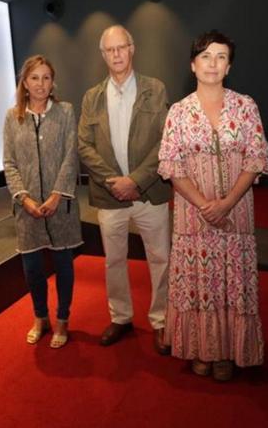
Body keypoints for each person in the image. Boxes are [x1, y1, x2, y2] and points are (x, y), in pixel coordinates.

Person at [157, 30, 268, 381]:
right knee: (198, 284)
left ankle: (227, 351)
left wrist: (228, 203)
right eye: (205, 56)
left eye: (221, 56)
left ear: (229, 65)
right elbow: (171, 165)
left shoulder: (246, 105)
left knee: (232, 283)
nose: (213, 63)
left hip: (236, 213)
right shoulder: (178, 112)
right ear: (193, 65)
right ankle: (200, 349)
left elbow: (257, 156)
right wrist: (207, 205)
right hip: (194, 216)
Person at [78, 25, 172, 353]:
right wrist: (113, 182)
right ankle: (120, 317)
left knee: (160, 258)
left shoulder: (155, 89)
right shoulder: (92, 97)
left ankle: (161, 321)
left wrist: (135, 180)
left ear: (132, 49)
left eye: (122, 48)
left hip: (150, 191)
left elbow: (165, 141)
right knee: (113, 260)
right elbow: (84, 145)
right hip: (109, 196)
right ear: (103, 55)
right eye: (110, 50)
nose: (116, 55)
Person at [3, 54, 83, 349]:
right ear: (24, 82)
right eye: (34, 78)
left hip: (60, 205)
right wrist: (23, 198)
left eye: (46, 77)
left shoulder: (65, 111)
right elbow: (9, 162)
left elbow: (69, 156)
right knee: (32, 267)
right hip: (27, 210)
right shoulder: (13, 117)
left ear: (53, 82)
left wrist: (55, 195)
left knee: (63, 264)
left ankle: (62, 319)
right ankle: (41, 317)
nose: (41, 84)